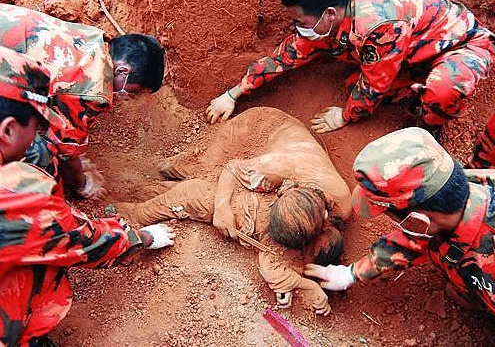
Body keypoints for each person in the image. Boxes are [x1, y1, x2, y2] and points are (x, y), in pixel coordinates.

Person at [0, 46, 174, 347]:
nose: (39, 134)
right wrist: (142, 237)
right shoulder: (17, 197)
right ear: (8, 130)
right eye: (38, 125)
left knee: (41, 154)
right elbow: (84, 241)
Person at [118, 107, 352, 314]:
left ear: (322, 220)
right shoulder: (272, 171)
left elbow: (280, 263)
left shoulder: (338, 204)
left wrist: (300, 283)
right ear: (280, 192)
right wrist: (222, 209)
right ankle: (151, 173)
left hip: (277, 169)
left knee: (192, 194)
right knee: (195, 169)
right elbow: (232, 168)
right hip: (257, 131)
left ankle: (146, 198)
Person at [205, 0, 495, 138]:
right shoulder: (333, 16)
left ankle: (431, 125)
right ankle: (416, 87)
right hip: (411, 51)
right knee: (352, 85)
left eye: (302, 22)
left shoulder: (378, 26)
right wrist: (235, 93)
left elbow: (374, 85)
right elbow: (288, 55)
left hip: (460, 45)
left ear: (329, 14)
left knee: (443, 89)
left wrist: (344, 116)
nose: (298, 29)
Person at [304, 127, 495, 315]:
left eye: (390, 215)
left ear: (419, 219)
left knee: (460, 293)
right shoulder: (470, 184)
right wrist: (352, 273)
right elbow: (413, 240)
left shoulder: (487, 268)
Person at [0, 3, 166, 198]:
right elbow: (65, 151)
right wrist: (83, 183)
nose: (129, 97)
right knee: (40, 154)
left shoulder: (93, 39)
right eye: (135, 91)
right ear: (122, 71)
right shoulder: (92, 88)